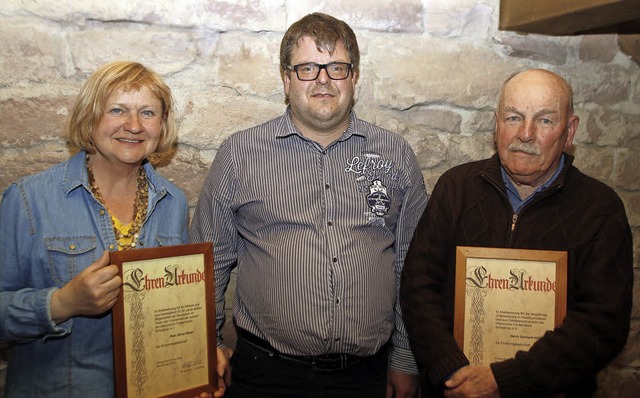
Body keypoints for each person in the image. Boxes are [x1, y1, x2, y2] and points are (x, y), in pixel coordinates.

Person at [189, 12, 428, 398]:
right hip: (265, 374)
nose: (322, 79)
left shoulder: (395, 155)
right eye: (306, 68)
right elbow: (209, 261)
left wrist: (404, 358)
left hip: (367, 375)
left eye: (336, 67)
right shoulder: (239, 154)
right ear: (286, 79)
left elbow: (412, 265)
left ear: (354, 77)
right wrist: (208, 344)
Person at [400, 69, 633, 398]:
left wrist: (504, 380)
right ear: (497, 125)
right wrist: (452, 371)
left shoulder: (600, 209)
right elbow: (418, 287)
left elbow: (603, 323)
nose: (525, 133)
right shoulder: (456, 188)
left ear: (570, 132)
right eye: (513, 117)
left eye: (545, 121)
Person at [0, 61, 196, 397]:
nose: (133, 125)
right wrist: (62, 303)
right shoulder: (28, 199)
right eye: (117, 110)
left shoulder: (173, 203)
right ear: (89, 120)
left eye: (147, 113)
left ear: (162, 126)